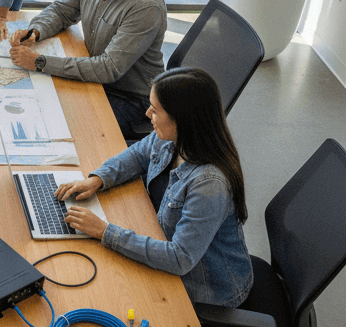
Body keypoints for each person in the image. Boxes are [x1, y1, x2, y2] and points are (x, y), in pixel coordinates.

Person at [55, 67, 253, 308]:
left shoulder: (209, 185)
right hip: (164, 243)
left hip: (206, 288)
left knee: (106, 291)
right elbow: (139, 154)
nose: (148, 113)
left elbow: (180, 258)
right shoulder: (173, 138)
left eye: (155, 109)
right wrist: (98, 179)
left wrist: (105, 231)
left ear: (180, 119)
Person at [9, 0, 166, 140]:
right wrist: (36, 30)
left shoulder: (146, 7)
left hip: (130, 99)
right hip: (96, 80)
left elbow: (108, 68)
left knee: (55, 127)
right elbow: (63, 9)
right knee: (31, 102)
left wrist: (39, 62)